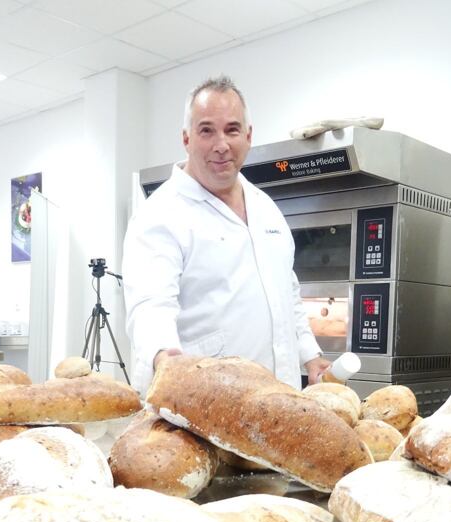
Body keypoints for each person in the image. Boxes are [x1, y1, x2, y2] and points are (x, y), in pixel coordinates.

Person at [122, 75, 330, 393]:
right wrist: (164, 356)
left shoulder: (265, 207)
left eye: (232, 130)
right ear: (187, 139)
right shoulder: (160, 213)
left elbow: (286, 291)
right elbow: (150, 305)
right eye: (206, 130)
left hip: (279, 398)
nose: (221, 145)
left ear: (248, 136)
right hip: (201, 400)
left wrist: (310, 355)